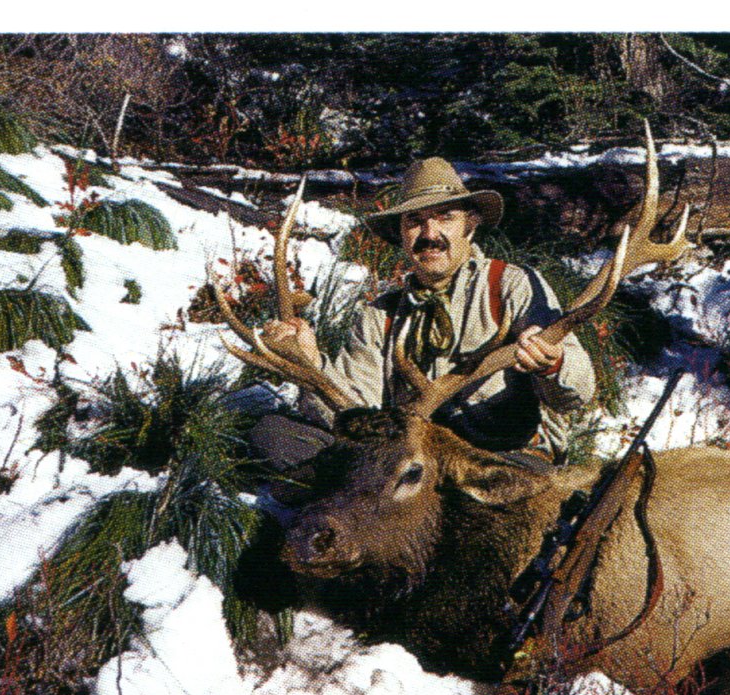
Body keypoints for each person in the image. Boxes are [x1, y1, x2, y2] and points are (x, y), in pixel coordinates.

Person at [250, 157, 597, 495]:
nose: (430, 234)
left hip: (495, 459)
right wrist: (309, 364)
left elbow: (578, 392)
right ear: (401, 234)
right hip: (411, 461)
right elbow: (359, 417)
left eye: (445, 216)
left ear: (470, 224)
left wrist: (553, 361)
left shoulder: (510, 285)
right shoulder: (379, 315)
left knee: (511, 488)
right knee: (274, 435)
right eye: (414, 221)